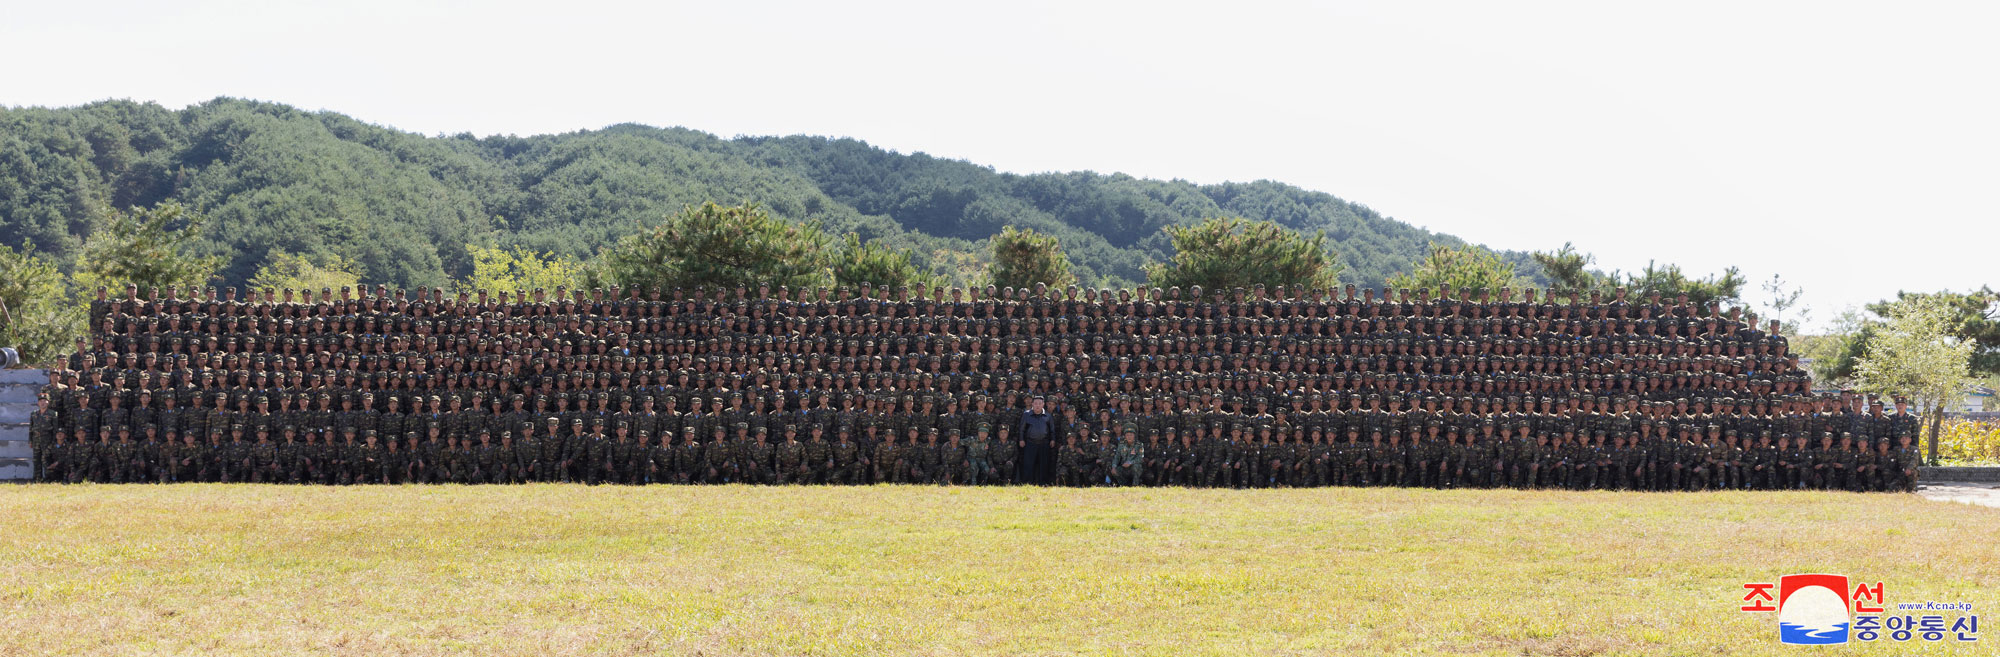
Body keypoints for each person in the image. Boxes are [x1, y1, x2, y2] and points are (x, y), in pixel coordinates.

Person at [1016, 395, 1055, 485]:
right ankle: (1027, 482)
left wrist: (1053, 440)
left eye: (1040, 403)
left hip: (1044, 443)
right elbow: (1021, 429)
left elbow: (1052, 430)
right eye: (1036, 403)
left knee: (1044, 464)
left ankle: (1043, 482)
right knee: (1028, 464)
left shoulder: (1048, 416)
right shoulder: (1026, 414)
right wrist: (1021, 439)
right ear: (1032, 404)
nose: (1037, 405)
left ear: (1043, 404)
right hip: (1030, 443)